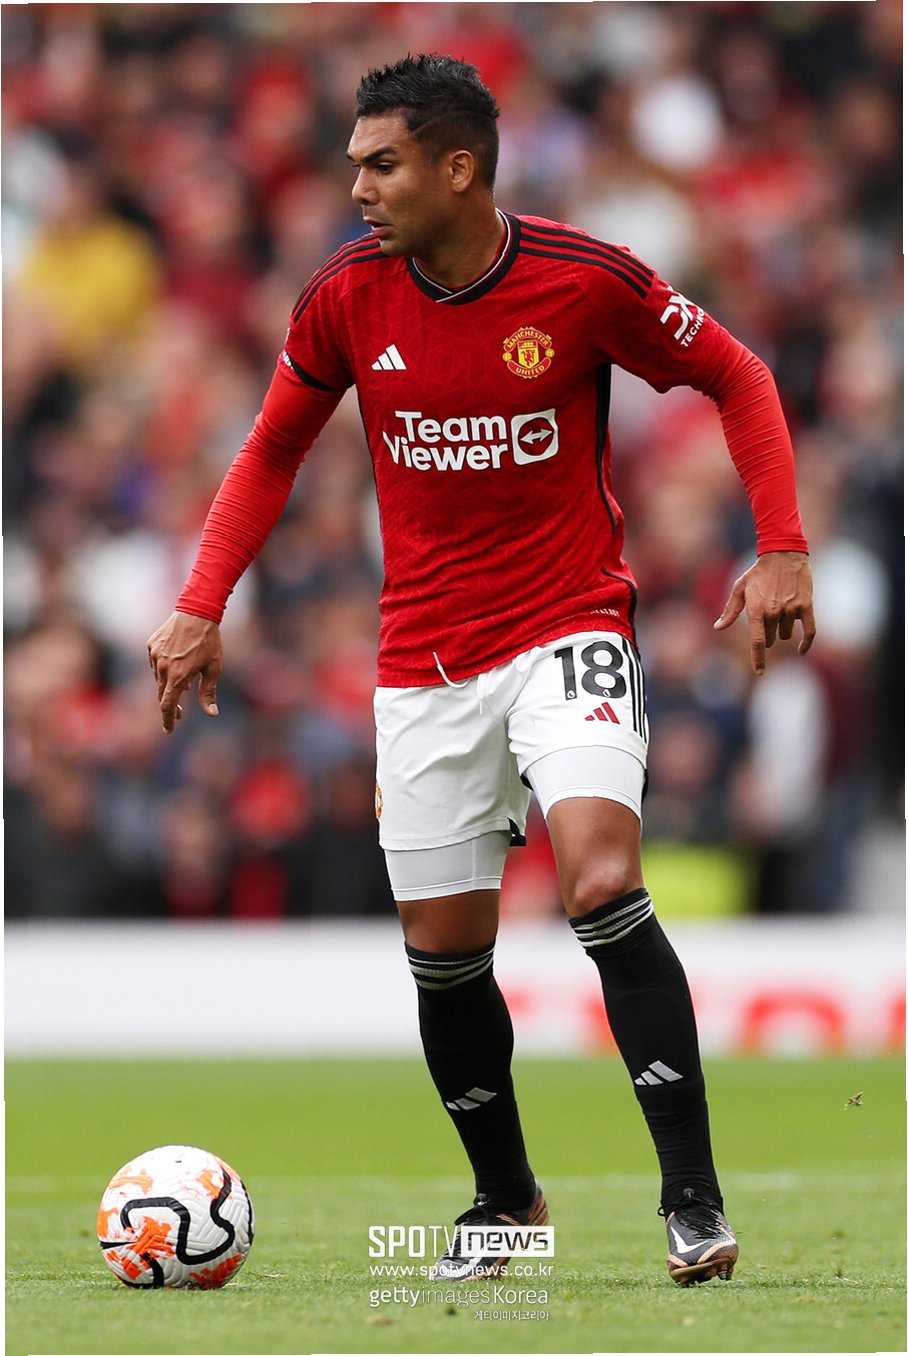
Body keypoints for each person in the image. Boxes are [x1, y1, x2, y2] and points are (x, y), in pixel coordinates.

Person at [148, 53, 815, 1286]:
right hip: (423, 662)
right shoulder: (343, 296)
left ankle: (691, 1200)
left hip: (568, 625)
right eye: (353, 164)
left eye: (380, 164)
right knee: (443, 948)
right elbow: (270, 451)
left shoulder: (581, 278)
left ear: (457, 168)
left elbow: (737, 372)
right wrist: (199, 604)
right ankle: (506, 1202)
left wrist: (779, 546)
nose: (356, 187)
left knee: (598, 878)